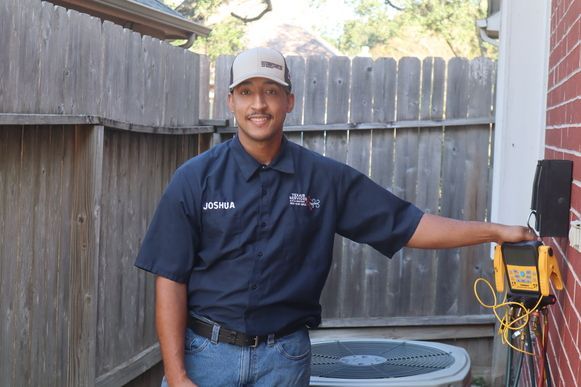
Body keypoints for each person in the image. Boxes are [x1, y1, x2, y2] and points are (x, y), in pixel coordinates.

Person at [135, 47, 534, 387]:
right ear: (231, 101)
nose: (259, 104)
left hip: (283, 359)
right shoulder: (195, 178)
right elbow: (170, 277)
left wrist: (495, 231)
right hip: (206, 355)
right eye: (247, 92)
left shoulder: (323, 179)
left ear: (289, 101)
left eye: (271, 92)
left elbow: (408, 224)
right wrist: (177, 373)